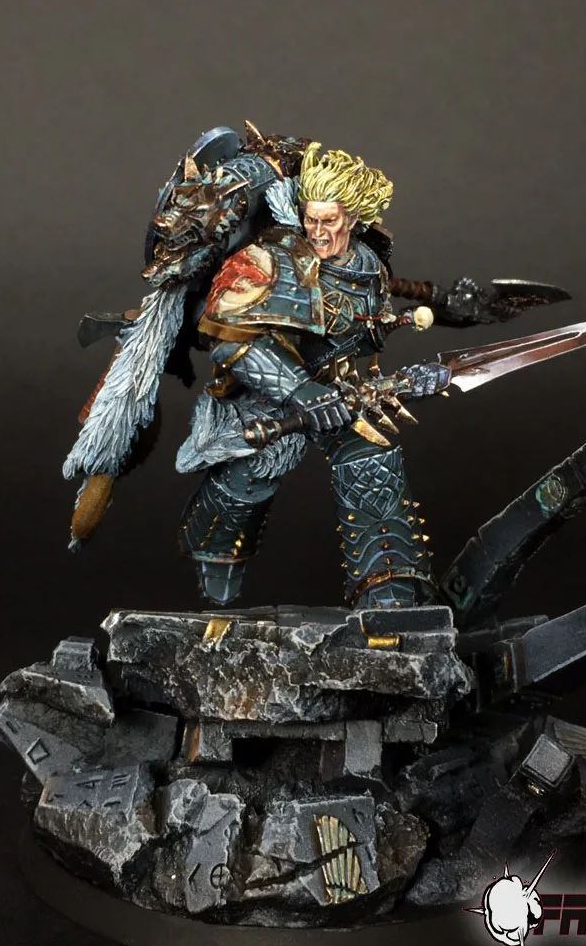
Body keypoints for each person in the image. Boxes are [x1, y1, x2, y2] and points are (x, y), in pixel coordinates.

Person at [175, 143, 443, 608]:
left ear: (352, 219)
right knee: (249, 476)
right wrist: (297, 388)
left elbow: (370, 318)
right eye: (310, 219)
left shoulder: (369, 265)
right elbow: (228, 338)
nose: (317, 231)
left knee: (370, 458)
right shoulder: (271, 261)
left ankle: (387, 588)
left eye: (329, 221)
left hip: (342, 392)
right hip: (271, 393)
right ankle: (217, 558)